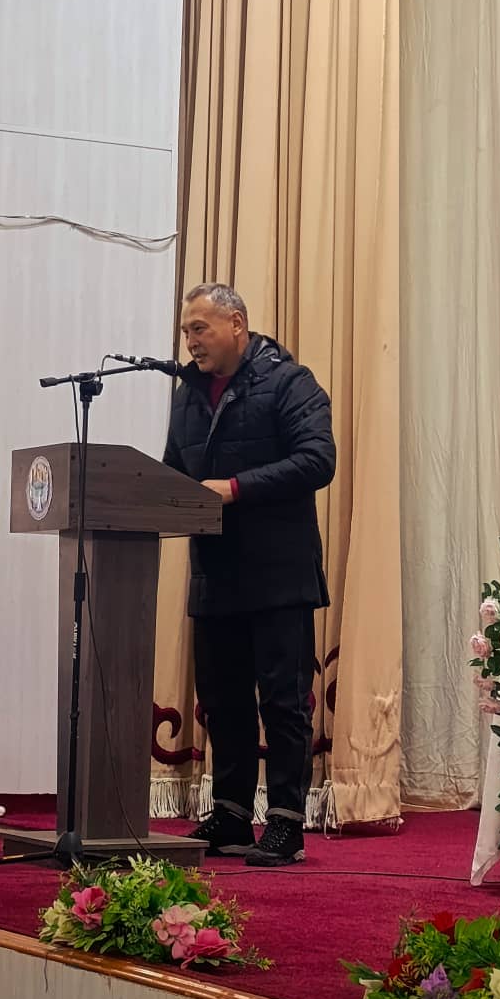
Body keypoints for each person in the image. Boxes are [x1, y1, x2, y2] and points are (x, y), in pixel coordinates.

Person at [163, 282, 336, 867]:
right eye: (186, 331)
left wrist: (236, 488)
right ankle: (232, 816)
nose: (191, 341)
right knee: (223, 702)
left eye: (200, 328)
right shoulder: (187, 398)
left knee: (283, 703)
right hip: (215, 575)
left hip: (278, 574)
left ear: (236, 324)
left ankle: (286, 823)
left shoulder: (290, 383)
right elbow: (172, 472)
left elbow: (318, 460)